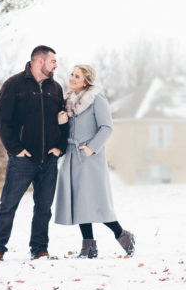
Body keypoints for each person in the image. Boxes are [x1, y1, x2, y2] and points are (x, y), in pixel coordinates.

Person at [0, 45, 68, 262]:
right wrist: (16, 149)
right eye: (53, 61)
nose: (56, 65)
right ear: (39, 61)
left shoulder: (56, 89)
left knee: (44, 208)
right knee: (8, 205)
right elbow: (2, 120)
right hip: (23, 160)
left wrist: (60, 147)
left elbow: (64, 119)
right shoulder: (14, 85)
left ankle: (39, 249)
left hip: (48, 160)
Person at [54, 64, 135, 258]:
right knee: (80, 202)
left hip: (90, 158)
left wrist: (91, 148)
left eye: (77, 76)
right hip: (72, 156)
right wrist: (61, 123)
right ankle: (89, 247)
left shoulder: (96, 99)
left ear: (86, 81)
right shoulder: (68, 100)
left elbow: (107, 127)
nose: (72, 78)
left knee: (96, 202)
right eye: (72, 74)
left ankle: (122, 235)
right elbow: (66, 129)